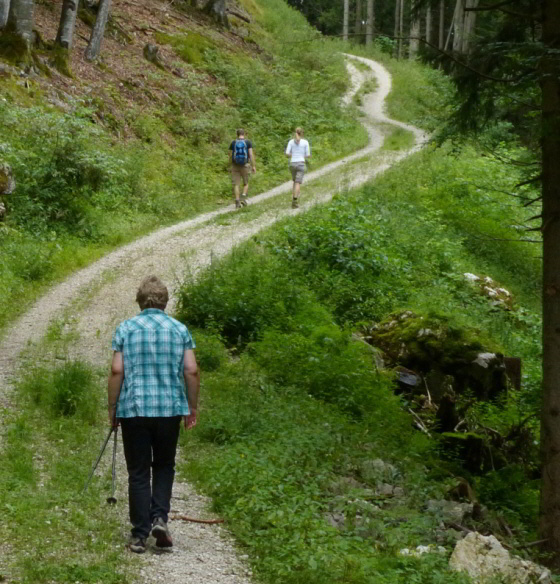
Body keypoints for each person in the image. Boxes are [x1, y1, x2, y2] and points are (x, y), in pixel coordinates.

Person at [107, 275, 200, 554]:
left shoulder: (126, 328)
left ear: (139, 301)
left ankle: (138, 536)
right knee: (163, 465)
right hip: (169, 409)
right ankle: (160, 518)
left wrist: (113, 408)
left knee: (137, 471)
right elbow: (191, 370)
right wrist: (192, 407)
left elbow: (116, 371)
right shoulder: (179, 329)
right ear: (165, 301)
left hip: (134, 409)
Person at [228, 129, 256, 209]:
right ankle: (243, 197)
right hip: (245, 165)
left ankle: (237, 201)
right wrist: (253, 165)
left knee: (236, 184)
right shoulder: (248, 142)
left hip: (235, 165)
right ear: (244, 134)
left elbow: (230, 155)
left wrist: (229, 165)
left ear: (237, 134)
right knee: (246, 183)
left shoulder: (233, 143)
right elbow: (251, 154)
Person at [285, 127, 311, 209]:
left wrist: (293, 155)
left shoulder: (290, 142)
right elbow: (308, 155)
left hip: (292, 164)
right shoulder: (305, 142)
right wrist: (302, 156)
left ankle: (295, 196)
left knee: (295, 181)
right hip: (301, 164)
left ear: (295, 133)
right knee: (297, 183)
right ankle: (295, 200)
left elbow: (287, 153)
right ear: (302, 133)